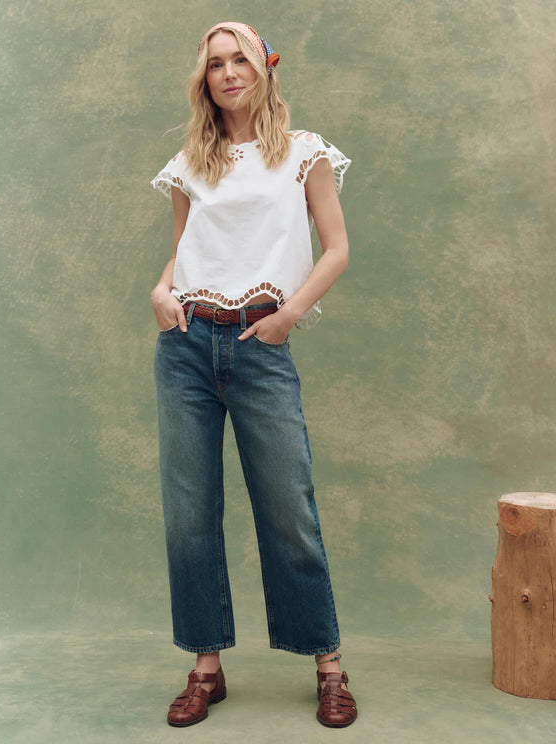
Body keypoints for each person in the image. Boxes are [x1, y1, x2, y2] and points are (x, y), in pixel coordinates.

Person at [150, 21, 356, 729]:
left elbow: (336, 248)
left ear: (264, 68)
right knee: (189, 513)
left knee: (288, 506)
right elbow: (185, 249)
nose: (228, 72)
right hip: (185, 345)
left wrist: (288, 315)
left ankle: (329, 665)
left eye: (240, 59)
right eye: (215, 63)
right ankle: (206, 668)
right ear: (204, 79)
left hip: (260, 343)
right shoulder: (190, 163)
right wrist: (161, 289)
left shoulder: (303, 153)